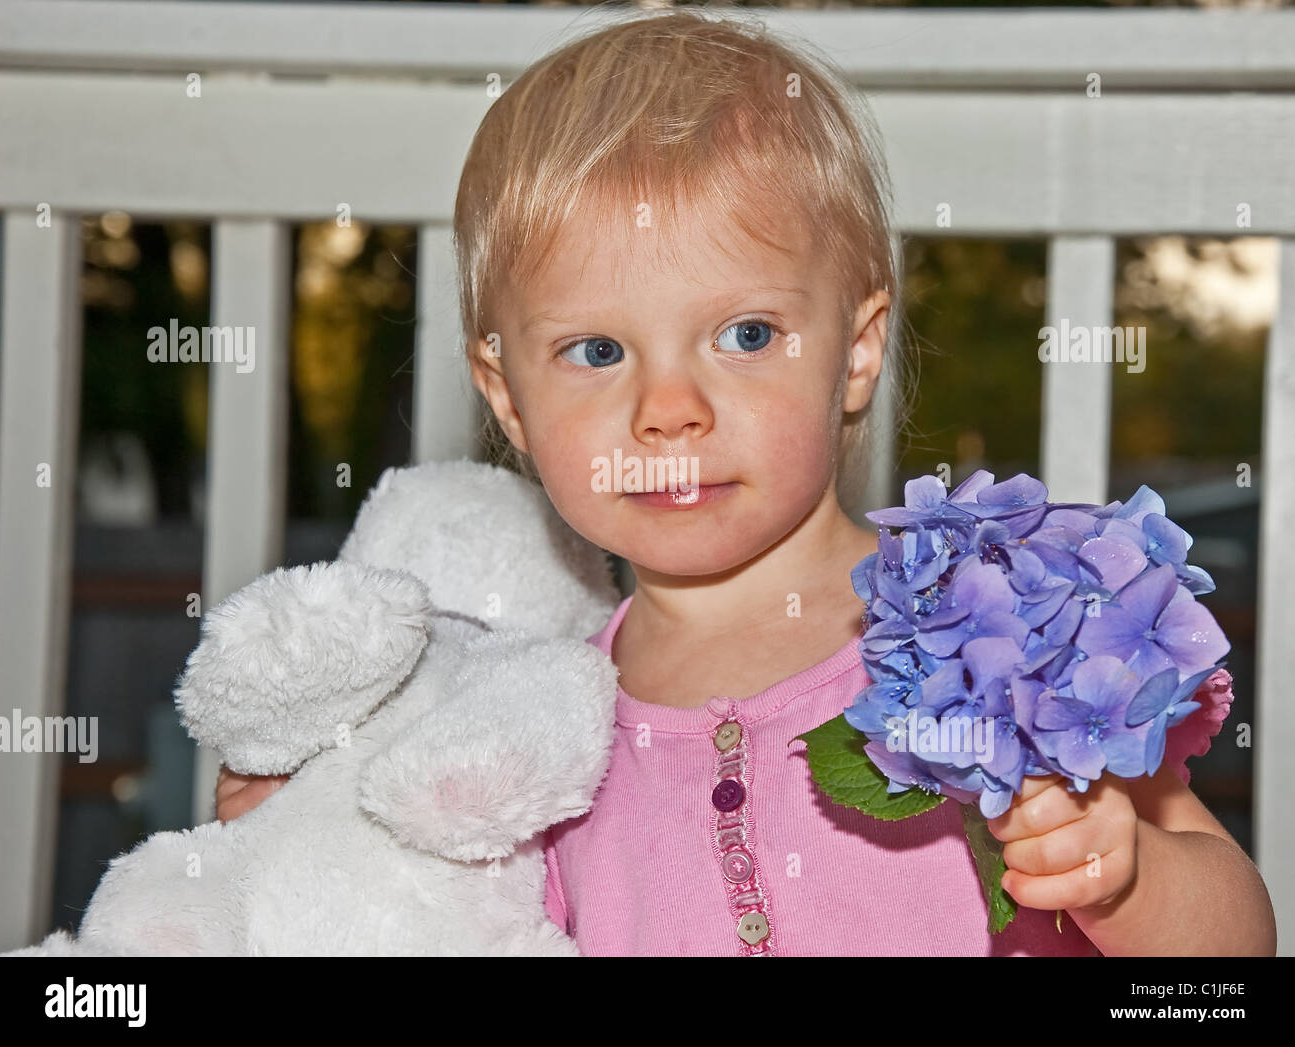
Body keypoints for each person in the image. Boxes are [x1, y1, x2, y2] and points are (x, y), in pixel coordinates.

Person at [218, 9, 1275, 956]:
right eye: (595, 352)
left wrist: (1124, 877)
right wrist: (311, 823)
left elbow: (1235, 946)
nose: (667, 407)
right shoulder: (528, 732)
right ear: (506, 397)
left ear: (856, 351)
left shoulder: (993, 633)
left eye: (746, 333)